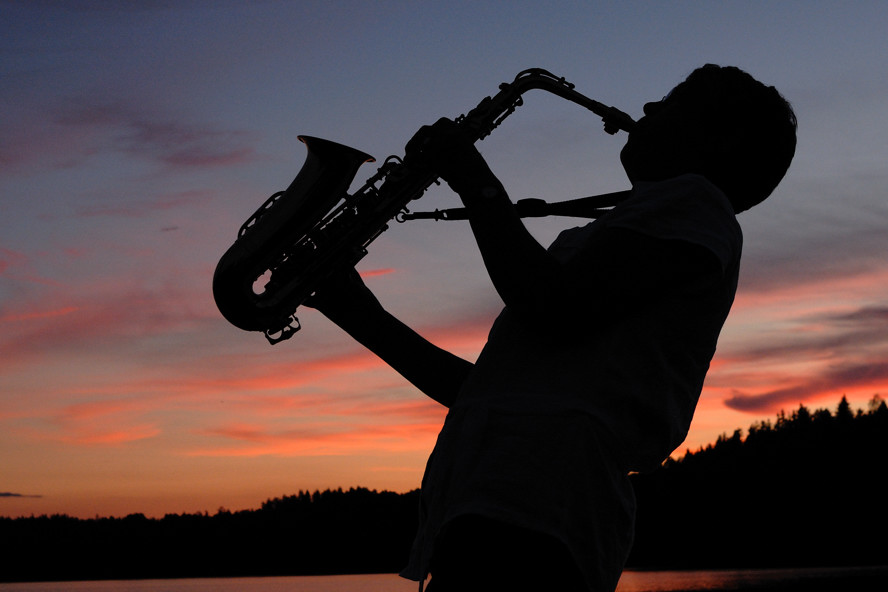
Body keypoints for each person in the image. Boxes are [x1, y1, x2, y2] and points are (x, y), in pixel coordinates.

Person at [307, 64, 797, 592]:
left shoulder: (695, 205)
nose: (650, 109)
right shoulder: (650, 224)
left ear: (719, 141)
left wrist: (475, 181)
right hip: (510, 504)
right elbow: (482, 394)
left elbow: (550, 305)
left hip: (537, 507)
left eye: (672, 101)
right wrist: (362, 316)